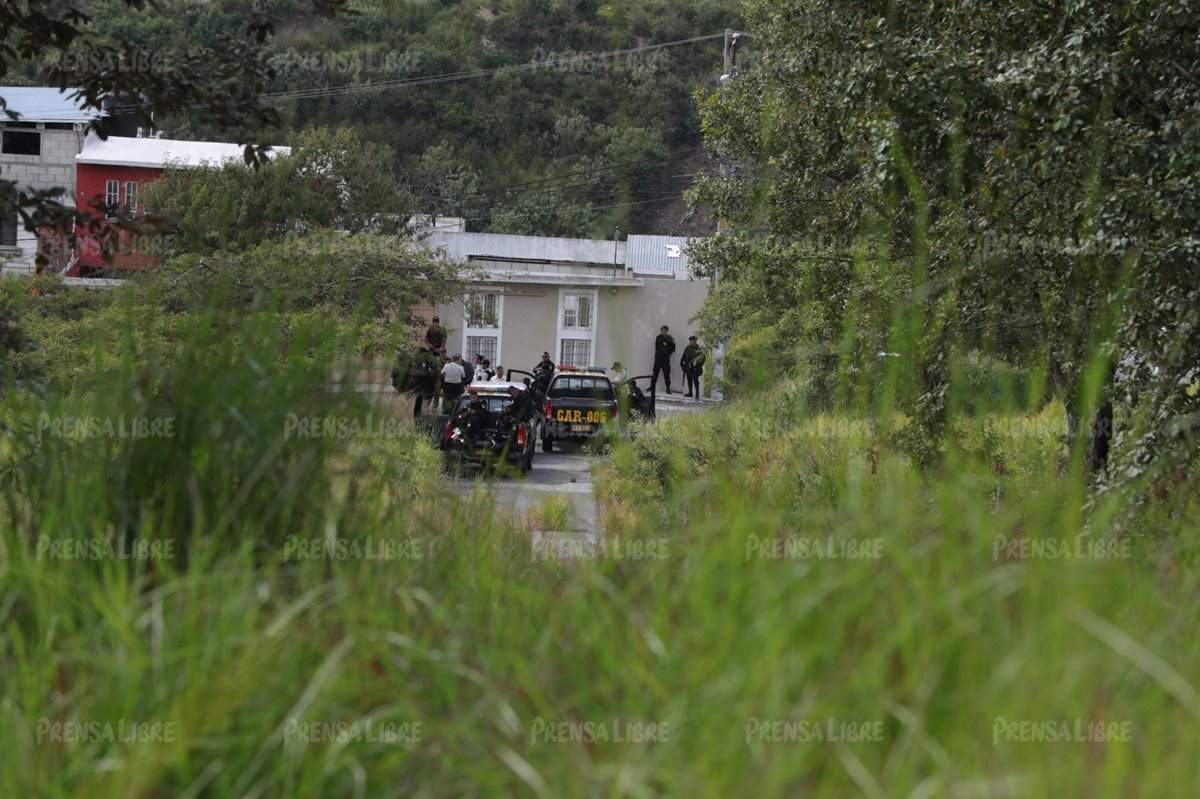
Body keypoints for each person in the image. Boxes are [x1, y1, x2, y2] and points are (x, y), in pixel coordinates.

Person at [651, 325, 676, 395]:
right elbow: (656, 346)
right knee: (655, 373)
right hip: (658, 359)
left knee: (666, 374)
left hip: (665, 359)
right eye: (662, 330)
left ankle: (668, 388)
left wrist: (667, 353)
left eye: (664, 330)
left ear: (667, 331)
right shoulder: (658, 337)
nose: (662, 332)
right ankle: (652, 386)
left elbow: (673, 348)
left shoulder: (670, 338)